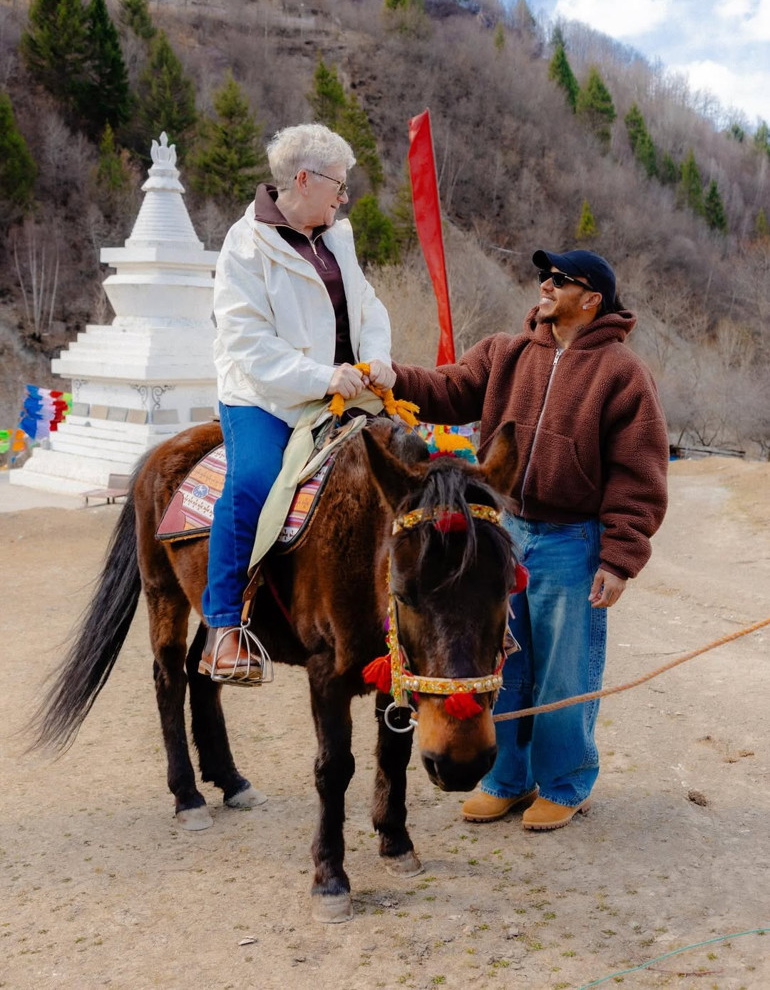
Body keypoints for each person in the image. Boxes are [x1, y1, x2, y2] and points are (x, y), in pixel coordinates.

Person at [393, 249, 669, 830]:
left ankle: (566, 784)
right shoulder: (506, 352)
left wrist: (619, 558)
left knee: (566, 669)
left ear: (591, 299)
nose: (544, 285)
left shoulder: (623, 373)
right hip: (504, 532)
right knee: (501, 665)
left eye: (559, 280)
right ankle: (508, 779)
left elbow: (640, 475)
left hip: (574, 538)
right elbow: (447, 388)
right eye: (545, 277)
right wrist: (390, 376)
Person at [200, 123, 395, 683]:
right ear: (303, 180)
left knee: (413, 464)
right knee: (252, 483)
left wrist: (377, 356)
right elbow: (248, 345)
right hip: (266, 399)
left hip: (347, 392)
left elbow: (368, 307)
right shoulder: (243, 247)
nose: (343, 196)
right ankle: (223, 630)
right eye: (338, 184)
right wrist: (321, 377)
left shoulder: (339, 237)